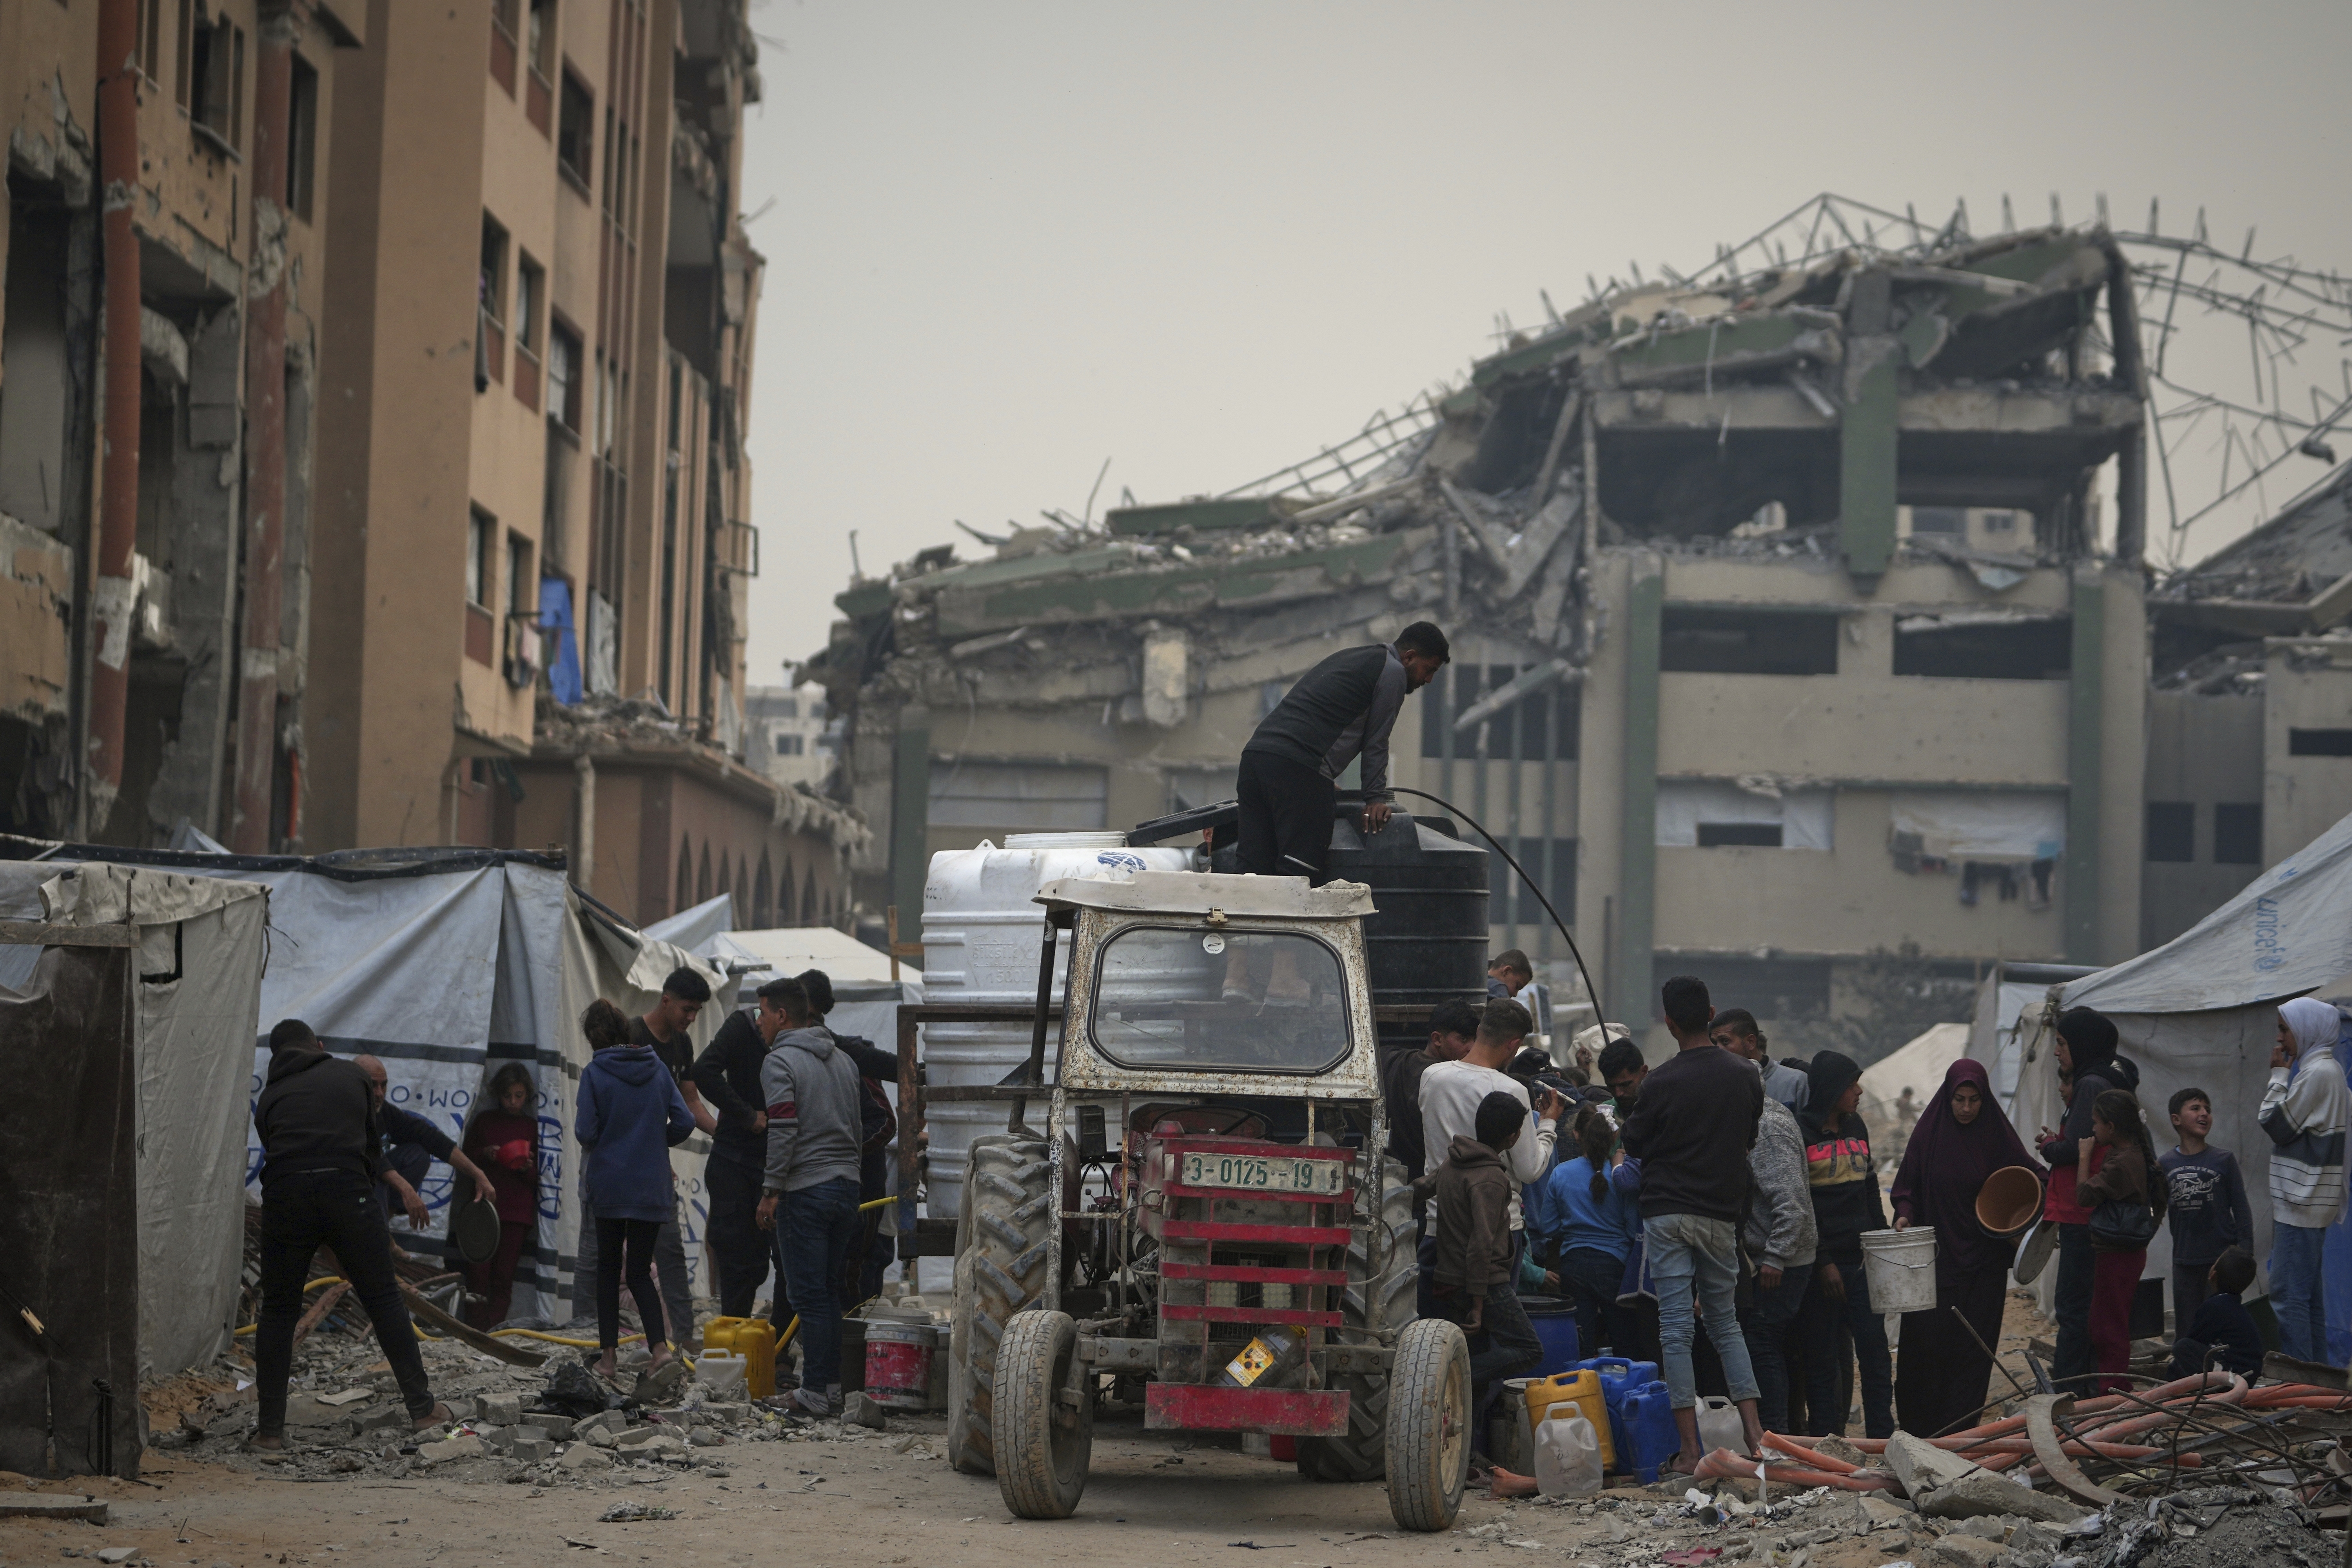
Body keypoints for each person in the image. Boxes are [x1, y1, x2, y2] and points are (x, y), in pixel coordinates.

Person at [249, 1020, 450, 1448]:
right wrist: (347, 1233)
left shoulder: (269, 1098)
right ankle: (423, 1410)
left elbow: (284, 1154)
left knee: (279, 1310)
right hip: (348, 1193)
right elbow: (370, 1152)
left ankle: (269, 1433)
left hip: (285, 1198)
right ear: (319, 1046)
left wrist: (318, 1230)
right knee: (382, 1298)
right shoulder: (353, 1076)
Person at [1619, 975, 1765, 1470]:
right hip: (1721, 1216)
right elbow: (1748, 1135)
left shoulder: (1659, 1080)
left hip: (1666, 1214)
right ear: (1711, 1012)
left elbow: (1635, 1143)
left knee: (1675, 1329)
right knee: (1726, 1326)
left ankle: (1687, 1452)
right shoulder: (1746, 1074)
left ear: (1670, 1022)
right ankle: (1757, 1439)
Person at [1888, 1060, 2042, 1437]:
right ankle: (1919, 1435)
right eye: (1960, 1099)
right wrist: (1904, 1215)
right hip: (1934, 1266)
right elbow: (1907, 1187)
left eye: (1975, 1100)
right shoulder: (1929, 1134)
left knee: (1971, 1354)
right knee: (1925, 1351)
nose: (1967, 1108)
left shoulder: (1995, 1136)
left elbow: (2033, 1177)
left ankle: (1960, 1435)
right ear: (1948, 1096)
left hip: (1983, 1268)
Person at [1236, 622, 1448, 883]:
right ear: (1410, 657)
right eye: (1429, 670)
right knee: (1299, 873)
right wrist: (1375, 797)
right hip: (1298, 767)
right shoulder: (1392, 672)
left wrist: (1321, 780)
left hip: (1257, 758)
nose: (1428, 680)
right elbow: (1377, 740)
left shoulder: (1354, 658)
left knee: (1250, 870)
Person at [754, 979, 865, 1417]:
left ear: (782, 1016)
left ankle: (814, 1392)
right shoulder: (845, 1062)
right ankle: (831, 1387)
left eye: (762, 1012)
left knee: (810, 1298)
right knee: (829, 1294)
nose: (759, 1021)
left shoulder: (779, 1062)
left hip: (806, 1191)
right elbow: (856, 1128)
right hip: (846, 1189)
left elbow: (783, 1129)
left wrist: (771, 1189)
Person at [1416, 1092, 1545, 1450]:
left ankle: (1464, 1454)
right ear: (1513, 1138)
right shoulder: (1489, 1178)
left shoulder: (1454, 1161)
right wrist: (1477, 1304)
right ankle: (1452, 1371)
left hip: (1449, 1276)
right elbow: (1482, 1244)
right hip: (1484, 1284)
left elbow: (1423, 1188)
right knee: (1529, 1349)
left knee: (1478, 1376)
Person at [575, 997, 694, 1384]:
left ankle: (608, 1361)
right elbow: (686, 1121)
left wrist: (615, 1137)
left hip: (610, 1185)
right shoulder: (657, 1067)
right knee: (641, 1271)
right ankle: (660, 1350)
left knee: (608, 1271)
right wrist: (653, 1141)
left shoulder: (595, 1073)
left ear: (594, 1038)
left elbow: (585, 1132)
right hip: (651, 1186)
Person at [1417, 1000, 1562, 1314]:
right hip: (1498, 1233)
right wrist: (1548, 1123)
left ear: (1481, 1030)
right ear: (1514, 1045)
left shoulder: (1431, 1077)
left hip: (1438, 1225)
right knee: (1488, 1336)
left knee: (1435, 1332)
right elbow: (1529, 1170)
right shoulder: (1510, 1089)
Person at [690, 977, 800, 1325]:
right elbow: (704, 1072)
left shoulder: (799, 1045)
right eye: (759, 1013)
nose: (759, 1021)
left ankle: (778, 1356)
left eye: (764, 1014)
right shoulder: (743, 1027)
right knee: (739, 1259)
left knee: (787, 1260)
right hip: (735, 1161)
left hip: (779, 1164)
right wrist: (746, 1114)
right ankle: (735, 1344)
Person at [1796, 1049, 1894, 1438]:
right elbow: (1803, 1204)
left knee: (1875, 1356)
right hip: (1822, 1270)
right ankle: (1826, 1443)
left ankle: (1883, 1438)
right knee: (1823, 1362)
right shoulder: (1800, 1132)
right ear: (1832, 1088)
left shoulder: (1857, 1127)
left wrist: (1881, 1238)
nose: (1859, 1090)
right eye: (1852, 1083)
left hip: (1862, 1262)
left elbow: (1870, 1185)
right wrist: (1824, 1262)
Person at [2035, 1007, 2133, 1391]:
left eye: (2061, 1043)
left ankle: (2069, 1392)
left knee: (2073, 1310)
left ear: (2081, 1044)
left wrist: (2048, 1145)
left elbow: (2075, 1149)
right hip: (2091, 1212)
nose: (2057, 1051)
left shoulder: (2091, 1083)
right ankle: (2088, 1388)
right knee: (2087, 1308)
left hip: (2083, 1214)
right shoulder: (2107, 1079)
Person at [798, 969, 902, 1307]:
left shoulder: (847, 1059)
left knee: (852, 1277)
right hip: (821, 1189)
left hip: (860, 1192)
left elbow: (885, 1123)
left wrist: (840, 1154)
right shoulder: (794, 1061)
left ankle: (853, 1352)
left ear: (809, 1012)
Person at [2263, 996, 2350, 1364]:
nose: (2281, 1040)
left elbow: (2275, 1124)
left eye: (2285, 1029)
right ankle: (2316, 1381)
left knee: (2287, 1296)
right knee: (2307, 1299)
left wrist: (2278, 1076)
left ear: (2307, 1030)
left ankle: (2299, 1381)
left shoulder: (2317, 1074)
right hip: (2312, 1203)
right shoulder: (2327, 1072)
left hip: (2302, 1202)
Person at [1737, 1049, 1817, 1438]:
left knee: (1762, 1341)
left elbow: (1792, 1201)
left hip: (1782, 1258)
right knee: (1770, 1341)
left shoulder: (1765, 1126)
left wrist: (1776, 1255)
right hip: (1776, 1252)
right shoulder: (1761, 1117)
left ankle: (1774, 1432)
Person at [1544, 1103, 1646, 1360]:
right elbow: (1634, 1228)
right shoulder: (1622, 1177)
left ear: (1577, 1135)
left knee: (1581, 1341)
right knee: (1624, 1340)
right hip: (1614, 1267)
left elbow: (1547, 1226)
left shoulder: (1561, 1173)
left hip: (1573, 1265)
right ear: (1615, 1136)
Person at [2078, 1088, 2163, 1395]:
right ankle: (2114, 1386)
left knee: (2107, 1326)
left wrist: (2084, 1157)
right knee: (2109, 1320)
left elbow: (2084, 1195)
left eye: (2097, 1123)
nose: (2093, 1130)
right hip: (2125, 1252)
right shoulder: (2131, 1153)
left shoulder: (2121, 1164)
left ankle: (2114, 1392)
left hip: (2118, 1255)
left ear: (2111, 1127)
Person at [352, 1054, 495, 1230]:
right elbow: (373, 1158)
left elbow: (430, 1137)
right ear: (356, 1082)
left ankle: (382, 1231)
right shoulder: (346, 1111)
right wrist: (407, 1190)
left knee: (417, 1155)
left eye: (384, 1085)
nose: (379, 1093)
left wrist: (478, 1174)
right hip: (350, 1197)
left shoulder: (384, 1112)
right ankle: (370, 1240)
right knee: (378, 1182)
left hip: (371, 1191)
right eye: (373, 1085)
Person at [2160, 1086, 2254, 1326]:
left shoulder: (2224, 1160)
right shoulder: (2165, 1164)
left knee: (2220, 1327)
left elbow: (2241, 1210)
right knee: (2189, 1328)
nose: (2204, 1114)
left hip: (2220, 1262)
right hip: (2184, 1261)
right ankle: (2192, 1365)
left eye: (2208, 1109)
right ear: (2176, 1119)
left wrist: (2244, 1254)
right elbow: (2155, 1207)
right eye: (2196, 1108)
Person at [457, 1063, 542, 1329]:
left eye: (519, 1096)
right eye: (508, 1096)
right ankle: (475, 1331)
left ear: (527, 1094)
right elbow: (463, 1158)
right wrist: (486, 1154)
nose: (514, 1102)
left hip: (517, 1212)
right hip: (483, 1209)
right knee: (477, 1275)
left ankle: (493, 1334)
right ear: (498, 1095)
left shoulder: (532, 1127)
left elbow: (542, 1178)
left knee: (504, 1278)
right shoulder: (485, 1122)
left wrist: (527, 1167)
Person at [1382, 998, 1481, 1181]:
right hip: (1431, 1183)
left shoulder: (1394, 1060)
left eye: (1475, 1039)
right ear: (1437, 1039)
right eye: (1463, 1039)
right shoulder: (1448, 1080)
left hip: (1393, 1178)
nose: (1472, 1048)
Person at [2168, 1246, 2264, 1378]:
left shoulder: (2214, 1306)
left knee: (2182, 1347)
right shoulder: (2235, 1308)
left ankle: (2200, 1387)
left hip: (2233, 1375)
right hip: (2249, 1375)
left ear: (2213, 1274)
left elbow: (2194, 1342)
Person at [1709, 1009, 1808, 1112]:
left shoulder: (1796, 1083)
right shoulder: (1713, 1085)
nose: (1717, 1049)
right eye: (1714, 1043)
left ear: (1751, 1042)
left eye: (1725, 1041)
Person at [1598, 1034, 1648, 1123]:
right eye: (1611, 1086)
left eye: (1625, 1085)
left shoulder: (1664, 1109)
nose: (1618, 1094)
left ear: (1643, 1072)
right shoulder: (1605, 1114)